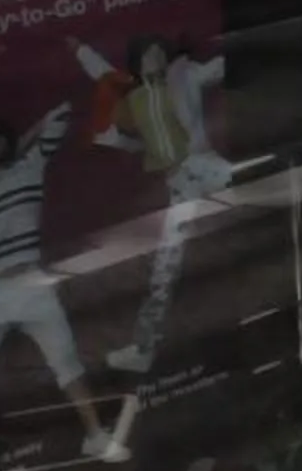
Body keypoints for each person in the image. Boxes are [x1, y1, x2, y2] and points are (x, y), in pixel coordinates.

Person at [0, 105, 129, 459]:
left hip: (32, 285)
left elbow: (58, 119)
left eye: (0, 137)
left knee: (67, 364)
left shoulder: (28, 169)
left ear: (12, 145)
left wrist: (23, 141)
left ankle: (95, 437)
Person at [77, 35, 231, 377]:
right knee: (168, 266)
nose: (157, 57)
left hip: (204, 168)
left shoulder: (183, 73)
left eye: (160, 52)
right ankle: (147, 347)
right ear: (138, 61)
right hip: (182, 184)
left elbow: (215, 70)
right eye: (149, 53)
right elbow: (142, 142)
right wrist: (110, 139)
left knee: (175, 262)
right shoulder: (136, 100)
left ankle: (149, 346)